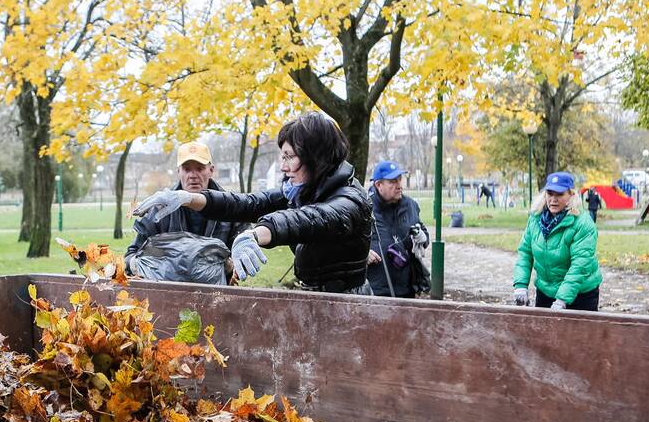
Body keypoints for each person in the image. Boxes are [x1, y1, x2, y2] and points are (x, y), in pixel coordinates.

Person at [132, 112, 373, 294]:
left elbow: (306, 220)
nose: (283, 166)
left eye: (290, 157)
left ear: (315, 157)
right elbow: (247, 203)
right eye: (283, 157)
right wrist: (187, 198)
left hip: (349, 302)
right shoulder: (302, 191)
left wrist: (255, 235)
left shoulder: (349, 200)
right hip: (315, 295)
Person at [124, 141, 245, 273]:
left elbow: (243, 254)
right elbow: (131, 256)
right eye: (187, 169)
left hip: (216, 291)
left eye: (199, 168)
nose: (193, 175)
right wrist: (139, 264)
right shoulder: (159, 209)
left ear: (211, 171)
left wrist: (231, 266)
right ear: (178, 172)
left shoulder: (230, 207)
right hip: (170, 289)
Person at [513, 172, 602, 311]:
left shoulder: (583, 224)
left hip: (580, 294)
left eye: (559, 194)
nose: (553, 199)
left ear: (571, 195)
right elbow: (525, 252)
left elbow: (580, 265)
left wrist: (562, 299)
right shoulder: (535, 219)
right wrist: (520, 285)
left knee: (577, 333)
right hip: (546, 291)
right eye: (550, 193)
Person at [367, 161, 430, 298]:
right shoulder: (364, 208)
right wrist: (362, 254)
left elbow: (423, 234)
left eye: (399, 180)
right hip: (375, 291)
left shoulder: (410, 205)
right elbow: (345, 243)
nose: (399, 185)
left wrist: (422, 238)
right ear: (379, 185)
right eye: (393, 182)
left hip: (406, 290)